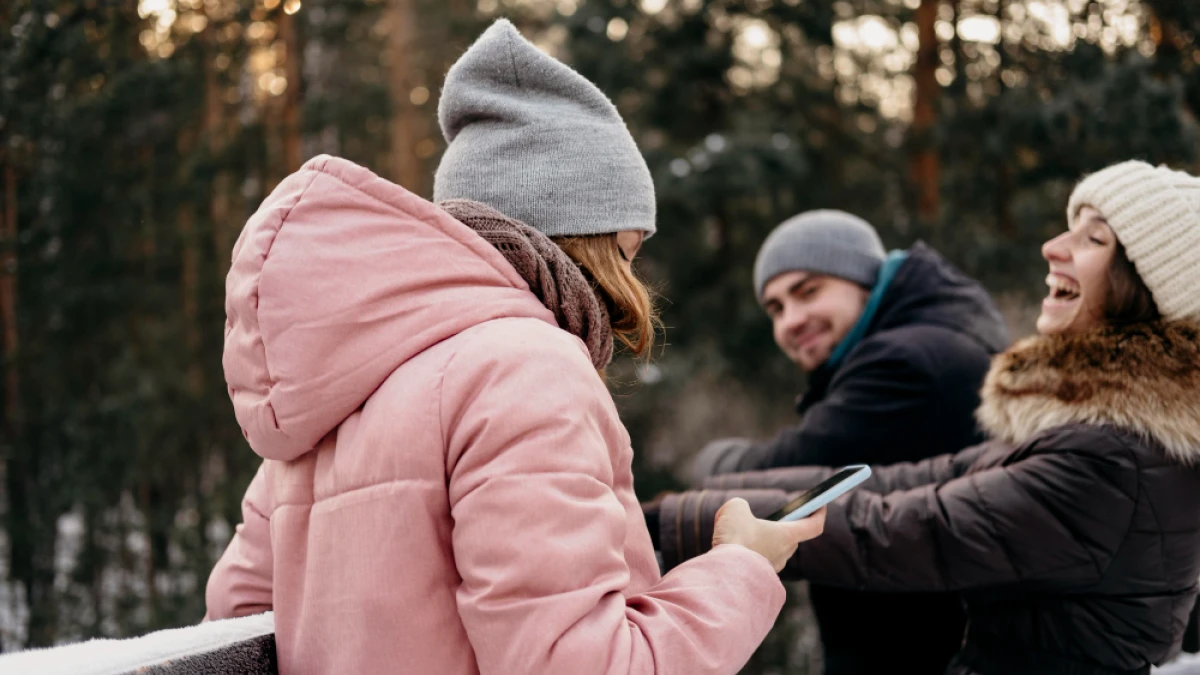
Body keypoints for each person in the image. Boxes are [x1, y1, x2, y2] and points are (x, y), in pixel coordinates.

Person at [203, 20, 825, 675]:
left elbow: (237, 623)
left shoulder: (339, 389)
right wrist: (741, 568)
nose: (632, 284)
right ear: (583, 235)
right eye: (627, 249)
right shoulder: (525, 371)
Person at [653, 160, 1200, 675]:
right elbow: (902, 481)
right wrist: (680, 512)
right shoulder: (1101, 436)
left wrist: (683, 517)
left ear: (1145, 285)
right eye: (776, 307)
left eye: (1094, 239)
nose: (1052, 246)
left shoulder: (1110, 459)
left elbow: (898, 527)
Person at [687, 210, 1010, 675]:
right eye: (776, 308)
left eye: (808, 292)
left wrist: (711, 460)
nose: (791, 321)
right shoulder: (934, 340)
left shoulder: (907, 363)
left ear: (864, 281)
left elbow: (785, 468)